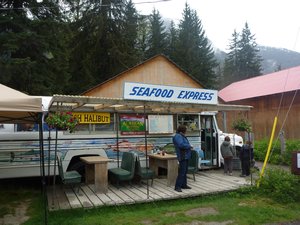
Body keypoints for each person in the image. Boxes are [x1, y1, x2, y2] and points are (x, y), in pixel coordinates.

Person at [173, 125, 192, 192]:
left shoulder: (182, 136)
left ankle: (184, 185)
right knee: (182, 172)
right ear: (182, 130)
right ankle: (177, 186)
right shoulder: (178, 136)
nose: (186, 131)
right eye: (186, 130)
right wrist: (189, 146)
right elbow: (181, 145)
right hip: (182, 156)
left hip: (186, 156)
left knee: (185, 171)